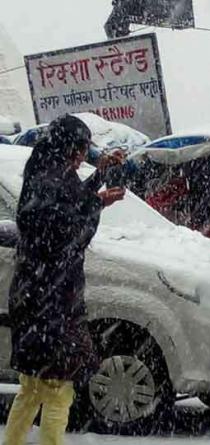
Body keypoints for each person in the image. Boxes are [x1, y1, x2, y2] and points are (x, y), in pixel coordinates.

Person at [3, 114, 125, 445]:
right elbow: (68, 232)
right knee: (58, 392)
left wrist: (99, 177)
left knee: (31, 390)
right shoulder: (52, 180)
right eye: (84, 149)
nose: (85, 156)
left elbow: (66, 205)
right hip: (53, 304)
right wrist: (98, 204)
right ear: (71, 148)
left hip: (33, 299)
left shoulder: (42, 170)